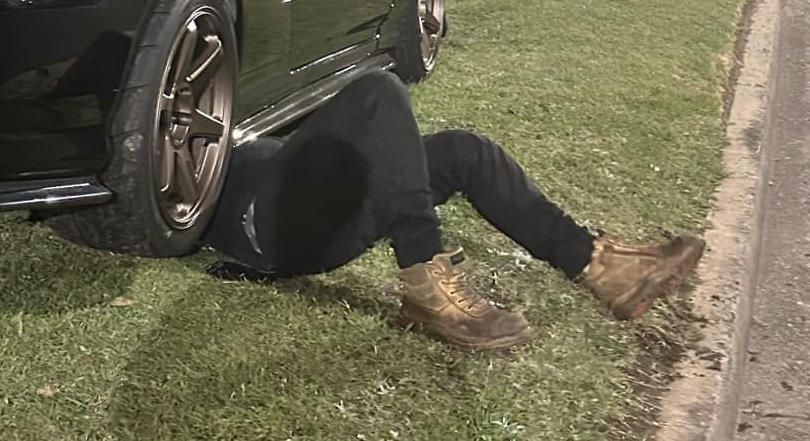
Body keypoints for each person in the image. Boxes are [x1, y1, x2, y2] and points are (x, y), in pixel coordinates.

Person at [204, 71, 702, 351]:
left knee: (464, 150)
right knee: (379, 91)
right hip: (264, 221)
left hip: (315, 203)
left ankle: (599, 266)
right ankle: (425, 281)